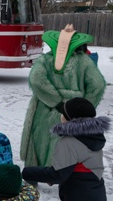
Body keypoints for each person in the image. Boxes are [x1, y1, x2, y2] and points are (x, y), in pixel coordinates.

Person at [20, 24, 106, 168]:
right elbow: (98, 85)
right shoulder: (84, 61)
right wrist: (83, 107)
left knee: (39, 139)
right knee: (65, 141)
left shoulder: (45, 59)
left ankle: (34, 172)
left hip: (43, 106)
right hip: (72, 112)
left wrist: (55, 100)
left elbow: (36, 79)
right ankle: (60, 172)